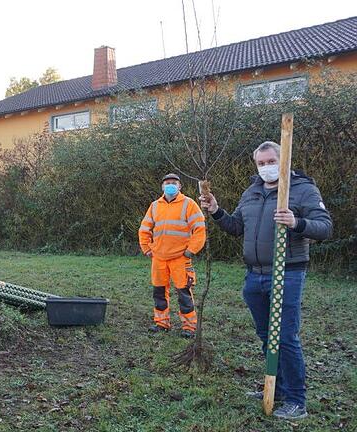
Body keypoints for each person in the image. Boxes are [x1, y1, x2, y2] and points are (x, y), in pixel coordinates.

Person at [200, 141, 332, 420]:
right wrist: (216, 211)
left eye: (271, 161)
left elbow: (325, 227)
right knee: (266, 337)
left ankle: (296, 400)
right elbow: (236, 227)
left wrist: (297, 222)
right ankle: (277, 386)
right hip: (254, 276)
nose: (266, 168)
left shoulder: (302, 189)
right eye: (261, 164)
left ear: (283, 161)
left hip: (287, 273)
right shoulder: (252, 192)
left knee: (284, 337)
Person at [138, 173, 206, 338]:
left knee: (184, 294)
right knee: (159, 292)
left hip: (180, 259)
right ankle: (162, 323)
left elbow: (200, 228)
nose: (170, 185)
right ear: (162, 186)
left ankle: (189, 327)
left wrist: (191, 250)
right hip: (159, 258)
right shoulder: (155, 205)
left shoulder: (189, 204)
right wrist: (146, 248)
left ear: (180, 186)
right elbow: (144, 229)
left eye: (173, 183)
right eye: (167, 183)